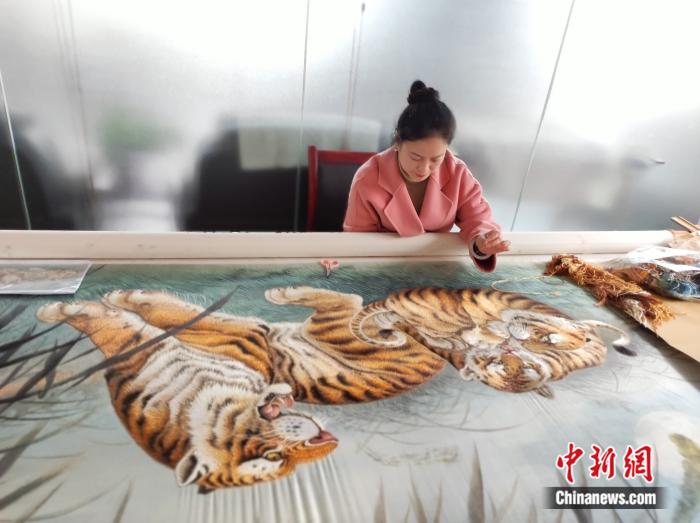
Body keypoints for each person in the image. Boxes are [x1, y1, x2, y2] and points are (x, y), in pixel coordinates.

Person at [343, 80, 510, 272]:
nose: (424, 168)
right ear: (398, 142)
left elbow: (478, 220)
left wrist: (482, 244)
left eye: (436, 159)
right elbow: (357, 245)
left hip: (435, 266)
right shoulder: (368, 177)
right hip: (380, 267)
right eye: (415, 157)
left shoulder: (457, 173)